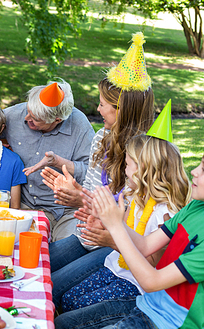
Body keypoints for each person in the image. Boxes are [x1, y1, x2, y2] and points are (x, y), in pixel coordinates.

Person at [37, 33, 155, 306]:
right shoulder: (102, 137)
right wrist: (75, 192)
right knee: (39, 266)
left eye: (103, 103)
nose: (98, 108)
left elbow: (136, 218)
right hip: (87, 233)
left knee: (53, 289)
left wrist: (80, 198)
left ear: (122, 109)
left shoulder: (145, 158)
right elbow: (91, 192)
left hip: (114, 244)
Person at [54, 152, 204, 329]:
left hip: (170, 323)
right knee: (62, 322)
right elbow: (145, 245)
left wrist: (116, 227)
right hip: (148, 306)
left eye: (203, 169)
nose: (194, 171)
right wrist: (108, 219)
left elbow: (151, 282)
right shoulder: (196, 207)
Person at [0, 79, 94, 241]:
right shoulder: (17, 114)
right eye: (28, 111)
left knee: (70, 246)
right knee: (25, 244)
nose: (26, 118)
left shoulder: (79, 126)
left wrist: (57, 161)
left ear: (57, 120)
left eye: (35, 119)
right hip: (26, 207)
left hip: (66, 211)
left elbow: (92, 173)